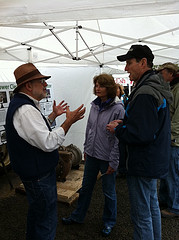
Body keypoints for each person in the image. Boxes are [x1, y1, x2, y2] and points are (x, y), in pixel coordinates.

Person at [5, 63, 86, 240]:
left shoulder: (25, 106)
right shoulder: (26, 109)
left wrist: (52, 117)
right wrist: (68, 122)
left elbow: (33, 134)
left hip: (35, 174)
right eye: (41, 81)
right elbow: (48, 142)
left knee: (38, 215)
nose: (45, 85)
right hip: (38, 176)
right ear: (28, 86)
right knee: (46, 222)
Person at [107, 45, 173, 240]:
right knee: (152, 207)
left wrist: (118, 129)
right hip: (154, 160)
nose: (126, 68)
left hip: (143, 162)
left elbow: (141, 134)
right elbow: (149, 124)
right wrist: (127, 122)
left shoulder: (145, 92)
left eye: (129, 63)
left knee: (141, 215)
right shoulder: (156, 86)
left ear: (143, 62)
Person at [62, 73, 125, 236]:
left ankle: (109, 222)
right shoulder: (95, 106)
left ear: (110, 88)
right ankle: (78, 216)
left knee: (109, 192)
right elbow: (90, 129)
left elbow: (119, 139)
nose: (97, 88)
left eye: (101, 85)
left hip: (107, 158)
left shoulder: (118, 109)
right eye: (96, 85)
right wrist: (86, 149)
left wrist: (114, 161)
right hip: (92, 155)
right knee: (86, 188)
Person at [157, 62, 179, 218]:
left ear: (171, 74)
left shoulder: (178, 90)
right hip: (169, 139)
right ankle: (164, 200)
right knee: (166, 173)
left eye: (162, 72)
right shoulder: (171, 88)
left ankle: (175, 207)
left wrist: (170, 136)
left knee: (172, 174)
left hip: (174, 140)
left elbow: (177, 119)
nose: (160, 75)